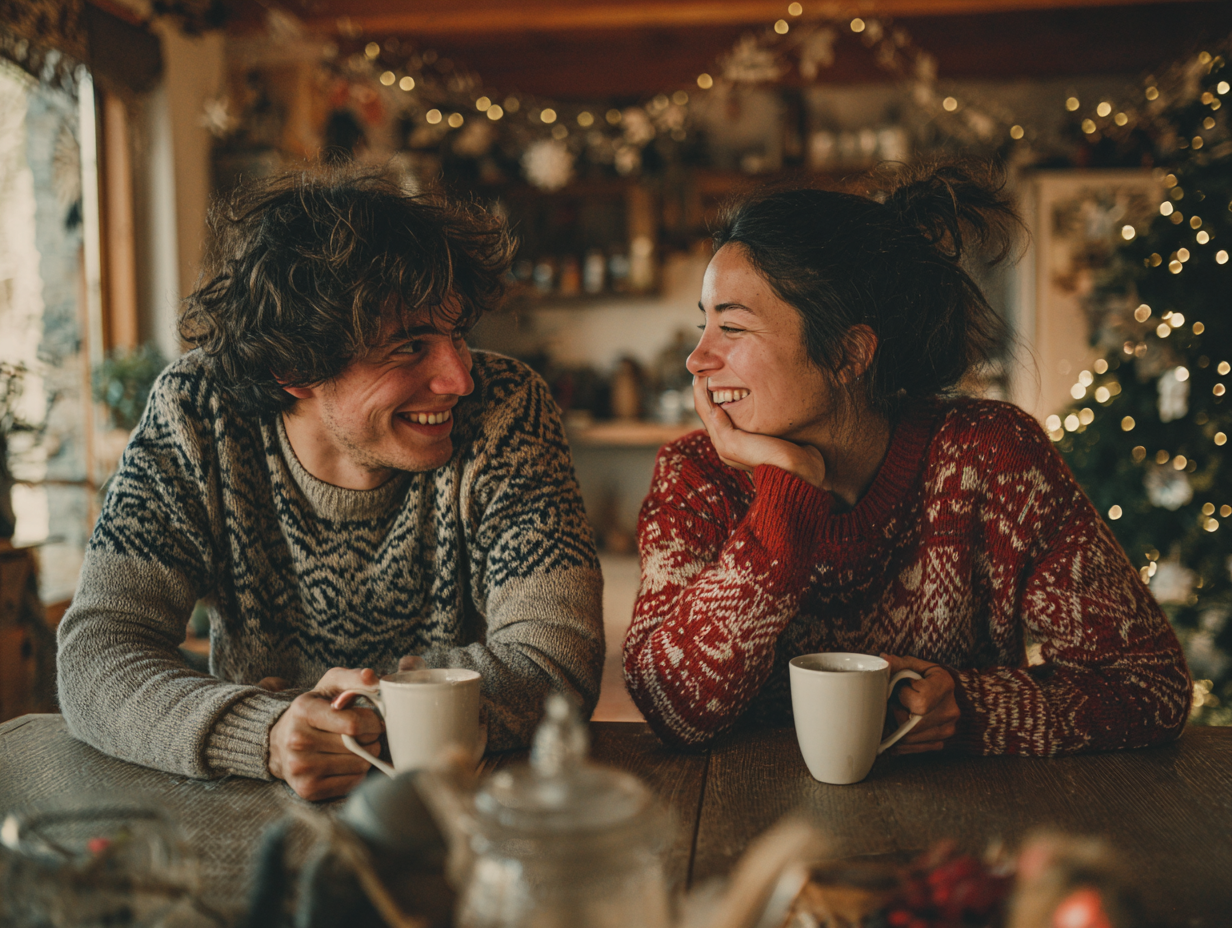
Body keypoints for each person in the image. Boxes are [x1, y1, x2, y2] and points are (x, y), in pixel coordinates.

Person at [58, 167, 604, 800]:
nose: (459, 377)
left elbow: (556, 662)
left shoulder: (508, 409)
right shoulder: (196, 413)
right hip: (251, 804)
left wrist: (354, 712)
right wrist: (266, 732)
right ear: (296, 366)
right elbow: (96, 652)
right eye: (409, 346)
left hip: (463, 806)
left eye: (457, 333)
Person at [623, 163, 1191, 755]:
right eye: (703, 323)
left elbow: (1150, 685)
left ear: (848, 353)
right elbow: (672, 709)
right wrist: (785, 498)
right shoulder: (697, 475)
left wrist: (972, 711)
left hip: (963, 824)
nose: (697, 359)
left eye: (732, 327)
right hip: (749, 821)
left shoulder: (991, 457)